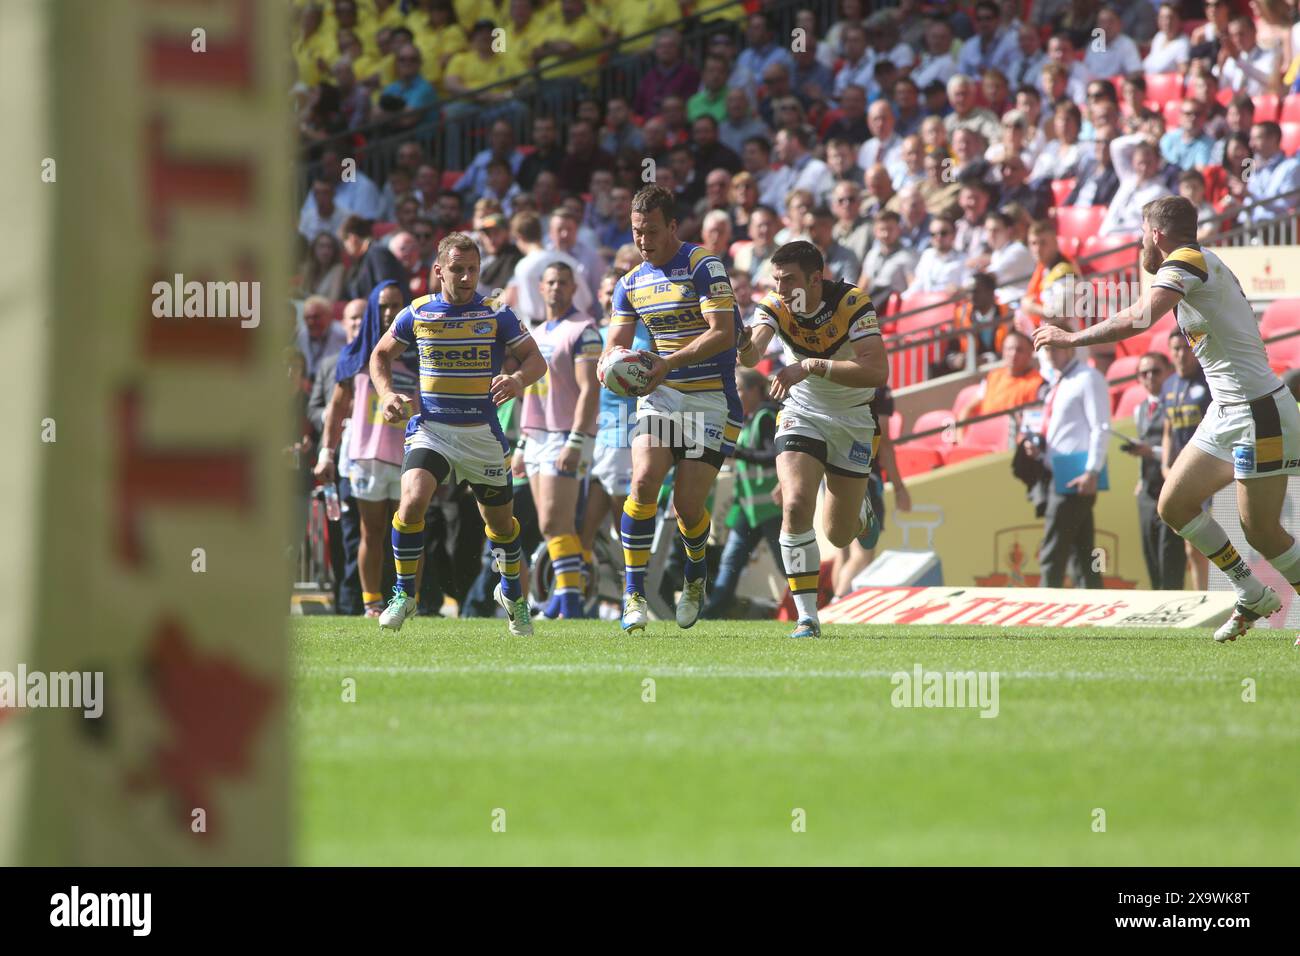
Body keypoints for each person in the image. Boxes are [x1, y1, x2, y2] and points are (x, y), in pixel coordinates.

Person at [1034, 196, 1300, 642]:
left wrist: (1072, 338)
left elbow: (1141, 317)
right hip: (1227, 410)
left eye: (1141, 233)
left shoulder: (1187, 260)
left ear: (1155, 234)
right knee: (1173, 504)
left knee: (1260, 529)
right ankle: (1250, 591)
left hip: (1259, 411)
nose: (1140, 242)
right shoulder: (1195, 262)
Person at [368, 234, 548, 635]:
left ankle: (514, 595)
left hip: (480, 434)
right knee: (413, 500)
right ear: (438, 270)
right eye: (457, 269)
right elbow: (379, 354)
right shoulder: (417, 313)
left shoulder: (497, 311)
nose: (467, 277)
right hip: (432, 430)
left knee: (501, 525)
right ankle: (403, 594)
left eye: (473, 269)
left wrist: (518, 379)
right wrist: (386, 393)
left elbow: (537, 359)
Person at [604, 185, 745, 632]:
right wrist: (608, 368)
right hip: (661, 397)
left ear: (672, 226)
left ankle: (695, 574)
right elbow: (614, 345)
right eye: (635, 231)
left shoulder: (702, 265)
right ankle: (634, 594)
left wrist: (668, 363)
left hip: (710, 399)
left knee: (686, 505)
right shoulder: (630, 283)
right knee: (644, 481)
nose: (643, 240)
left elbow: (723, 332)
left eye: (650, 231)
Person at [737, 240, 887, 638]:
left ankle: (861, 513)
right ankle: (808, 616)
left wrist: (810, 365)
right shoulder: (775, 305)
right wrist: (740, 341)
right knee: (796, 504)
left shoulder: (852, 303)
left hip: (853, 418)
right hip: (801, 411)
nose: (781, 289)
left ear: (816, 279)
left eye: (789, 281)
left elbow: (876, 372)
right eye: (776, 280)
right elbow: (752, 355)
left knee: (838, 534)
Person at [315, 281, 416, 618]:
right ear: (374, 308)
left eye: (397, 305)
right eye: (384, 305)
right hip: (366, 457)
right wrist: (326, 454)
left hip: (409, 456)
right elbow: (337, 407)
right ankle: (371, 603)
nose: (390, 312)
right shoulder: (355, 355)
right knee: (370, 533)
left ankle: (407, 599)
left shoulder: (417, 353)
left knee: (410, 530)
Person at [514, 262, 602, 619]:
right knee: (552, 524)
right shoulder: (536, 333)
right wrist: (522, 443)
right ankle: (563, 599)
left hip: (566, 434)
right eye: (550, 282)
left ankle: (570, 602)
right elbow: (532, 393)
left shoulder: (584, 330)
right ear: (540, 288)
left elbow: (589, 389)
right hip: (537, 435)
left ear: (574, 287)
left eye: (563, 283)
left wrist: (578, 440)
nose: (556, 288)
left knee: (555, 521)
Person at [1021, 336, 1111, 589]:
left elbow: (1100, 427)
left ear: (1070, 347)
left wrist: (1092, 470)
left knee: (1053, 550)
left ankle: (1044, 611)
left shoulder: (1087, 378)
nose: (1050, 354)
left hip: (1075, 474)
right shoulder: (1056, 382)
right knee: (1082, 553)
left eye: (1055, 347)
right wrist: (1037, 445)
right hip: (1058, 472)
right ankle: (1094, 608)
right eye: (1046, 349)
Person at [701, 369, 784, 619]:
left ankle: (814, 605)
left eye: (739, 388)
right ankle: (713, 613)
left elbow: (773, 456)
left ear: (756, 390)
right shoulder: (750, 419)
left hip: (770, 507)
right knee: (731, 560)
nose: (735, 394)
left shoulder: (766, 417)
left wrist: (738, 453)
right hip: (751, 509)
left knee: (786, 564)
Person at [1127, 351, 1185, 589]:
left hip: (1170, 487)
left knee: (1169, 551)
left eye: (1155, 371)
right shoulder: (1139, 409)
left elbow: (1182, 448)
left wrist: (1151, 452)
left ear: (1168, 372)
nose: (1150, 377)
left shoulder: (1177, 403)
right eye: (1144, 373)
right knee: (1149, 549)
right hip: (1147, 491)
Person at [1161, 328, 1213, 590]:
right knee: (1191, 542)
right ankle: (1201, 595)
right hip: (1182, 472)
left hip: (1209, 471)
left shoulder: (1208, 384)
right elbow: (1169, 428)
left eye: (1185, 348)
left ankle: (1225, 594)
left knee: (1215, 536)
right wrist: (1165, 464)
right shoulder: (1168, 385)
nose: (1181, 355)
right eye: (1176, 349)